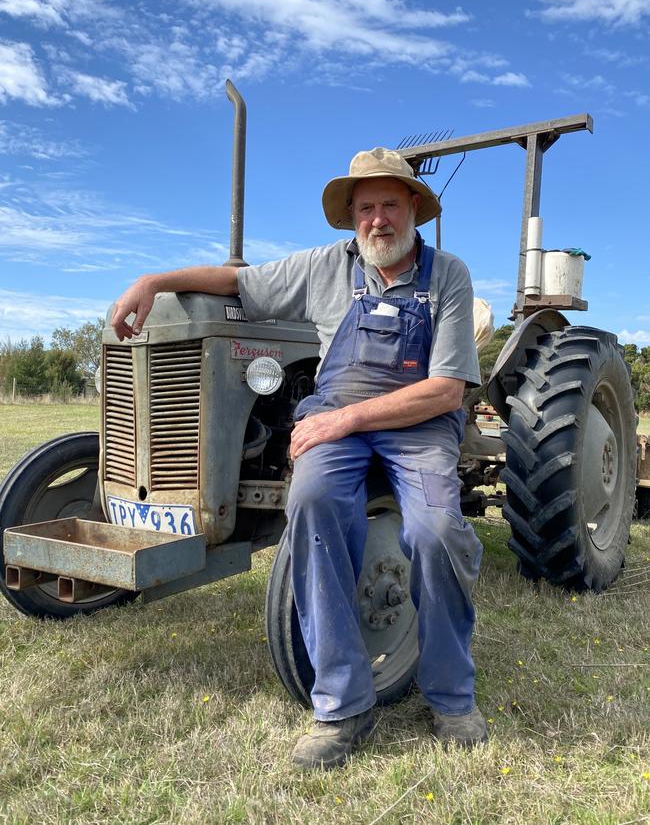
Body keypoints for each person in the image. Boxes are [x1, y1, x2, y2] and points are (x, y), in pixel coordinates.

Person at [111, 147, 486, 769]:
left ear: (413, 207)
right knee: (310, 502)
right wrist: (152, 281)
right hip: (336, 420)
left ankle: (450, 695)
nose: (378, 220)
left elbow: (446, 391)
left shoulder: (448, 275)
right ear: (352, 217)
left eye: (391, 204)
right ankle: (342, 704)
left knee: (438, 528)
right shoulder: (323, 268)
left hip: (418, 424)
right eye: (365, 208)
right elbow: (237, 282)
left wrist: (346, 418)